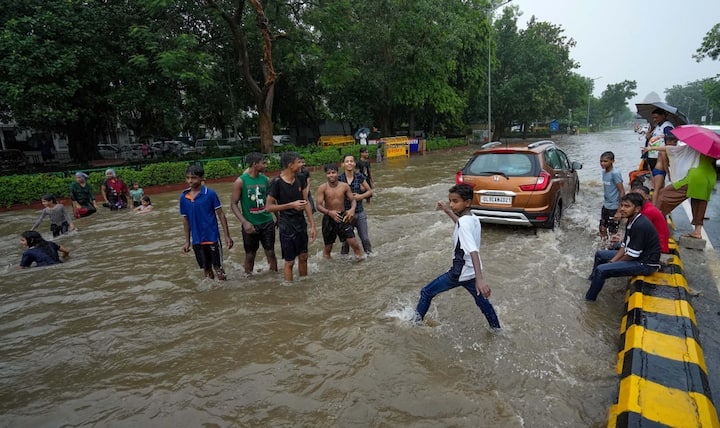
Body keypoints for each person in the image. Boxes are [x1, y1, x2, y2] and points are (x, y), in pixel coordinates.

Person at [413, 184, 500, 329]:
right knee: (483, 303)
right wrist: (447, 211)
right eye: (450, 201)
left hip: (459, 272)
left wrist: (481, 279)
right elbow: (460, 224)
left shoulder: (465, 223)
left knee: (426, 292)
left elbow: (473, 250)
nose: (452, 205)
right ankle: (497, 329)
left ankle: (414, 325)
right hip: (471, 270)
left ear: (467, 202)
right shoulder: (473, 218)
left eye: (455, 201)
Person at [586, 192, 661, 301]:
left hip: (645, 263)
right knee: (600, 255)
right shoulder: (631, 220)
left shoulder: (640, 225)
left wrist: (612, 264)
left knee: (601, 270)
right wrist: (612, 262)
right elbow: (624, 246)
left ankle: (589, 300)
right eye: (621, 205)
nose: (622, 209)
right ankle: (593, 281)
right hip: (637, 257)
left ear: (637, 209)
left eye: (627, 206)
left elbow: (631, 255)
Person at [646, 130, 717, 240]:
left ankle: (653, 222)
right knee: (699, 203)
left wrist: (651, 148)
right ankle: (697, 231)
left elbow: (671, 149)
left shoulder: (693, 147)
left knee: (663, 195)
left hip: (695, 177)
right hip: (710, 177)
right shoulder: (711, 153)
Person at [266, 151, 317, 281]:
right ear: (290, 165)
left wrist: (312, 225)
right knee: (289, 262)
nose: (301, 165)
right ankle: (289, 288)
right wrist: (290, 205)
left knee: (304, 256)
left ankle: (303, 284)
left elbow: (305, 202)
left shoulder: (300, 179)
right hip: (286, 226)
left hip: (301, 224)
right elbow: (268, 207)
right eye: (298, 162)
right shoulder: (276, 183)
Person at [180, 164, 234, 280]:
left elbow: (221, 214)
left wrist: (227, 236)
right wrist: (187, 241)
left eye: (193, 178)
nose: (190, 180)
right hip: (197, 239)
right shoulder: (184, 197)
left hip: (212, 237)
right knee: (206, 268)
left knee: (218, 268)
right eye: (188, 177)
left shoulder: (210, 194)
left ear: (202, 178)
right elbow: (185, 220)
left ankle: (224, 290)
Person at [230, 152, 278, 275]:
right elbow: (233, 204)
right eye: (263, 162)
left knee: (271, 252)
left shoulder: (266, 180)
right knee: (250, 255)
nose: (266, 165)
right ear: (255, 164)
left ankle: (274, 277)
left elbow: (272, 200)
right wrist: (244, 222)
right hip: (250, 224)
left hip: (267, 222)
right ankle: (248, 279)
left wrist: (278, 217)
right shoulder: (240, 182)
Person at [315, 163, 364, 259]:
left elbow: (353, 200)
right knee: (328, 249)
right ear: (326, 175)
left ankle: (361, 266)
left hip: (343, 217)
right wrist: (330, 213)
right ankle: (329, 270)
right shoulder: (322, 188)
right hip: (329, 218)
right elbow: (318, 206)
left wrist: (352, 209)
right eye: (329, 173)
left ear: (337, 173)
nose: (331, 175)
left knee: (354, 244)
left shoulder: (344, 186)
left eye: (333, 172)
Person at [339, 154, 373, 255]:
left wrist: (360, 197)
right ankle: (344, 262)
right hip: (346, 214)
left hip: (359, 212)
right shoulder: (340, 179)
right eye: (347, 161)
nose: (349, 163)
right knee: (346, 242)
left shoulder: (359, 176)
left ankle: (370, 256)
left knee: (365, 239)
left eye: (351, 161)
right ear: (343, 164)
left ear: (354, 164)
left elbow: (370, 191)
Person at [643, 108, 674, 203]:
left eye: (656, 117)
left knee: (658, 186)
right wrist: (649, 135)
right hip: (653, 156)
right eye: (653, 118)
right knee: (657, 185)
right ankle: (657, 204)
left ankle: (657, 205)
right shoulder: (657, 126)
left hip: (659, 157)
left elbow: (669, 142)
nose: (654, 119)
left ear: (663, 116)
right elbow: (654, 139)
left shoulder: (667, 127)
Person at [630, 185, 670, 253]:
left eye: (639, 195)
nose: (636, 198)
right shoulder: (645, 207)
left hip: (656, 247)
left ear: (647, 196)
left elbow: (641, 232)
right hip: (656, 244)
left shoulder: (648, 211)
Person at [599, 151, 625, 244]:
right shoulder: (604, 172)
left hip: (614, 207)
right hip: (606, 205)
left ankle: (612, 250)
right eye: (601, 161)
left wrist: (619, 211)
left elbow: (622, 191)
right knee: (602, 228)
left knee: (613, 232)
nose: (602, 163)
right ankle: (604, 246)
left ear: (612, 161)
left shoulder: (615, 173)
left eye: (605, 161)